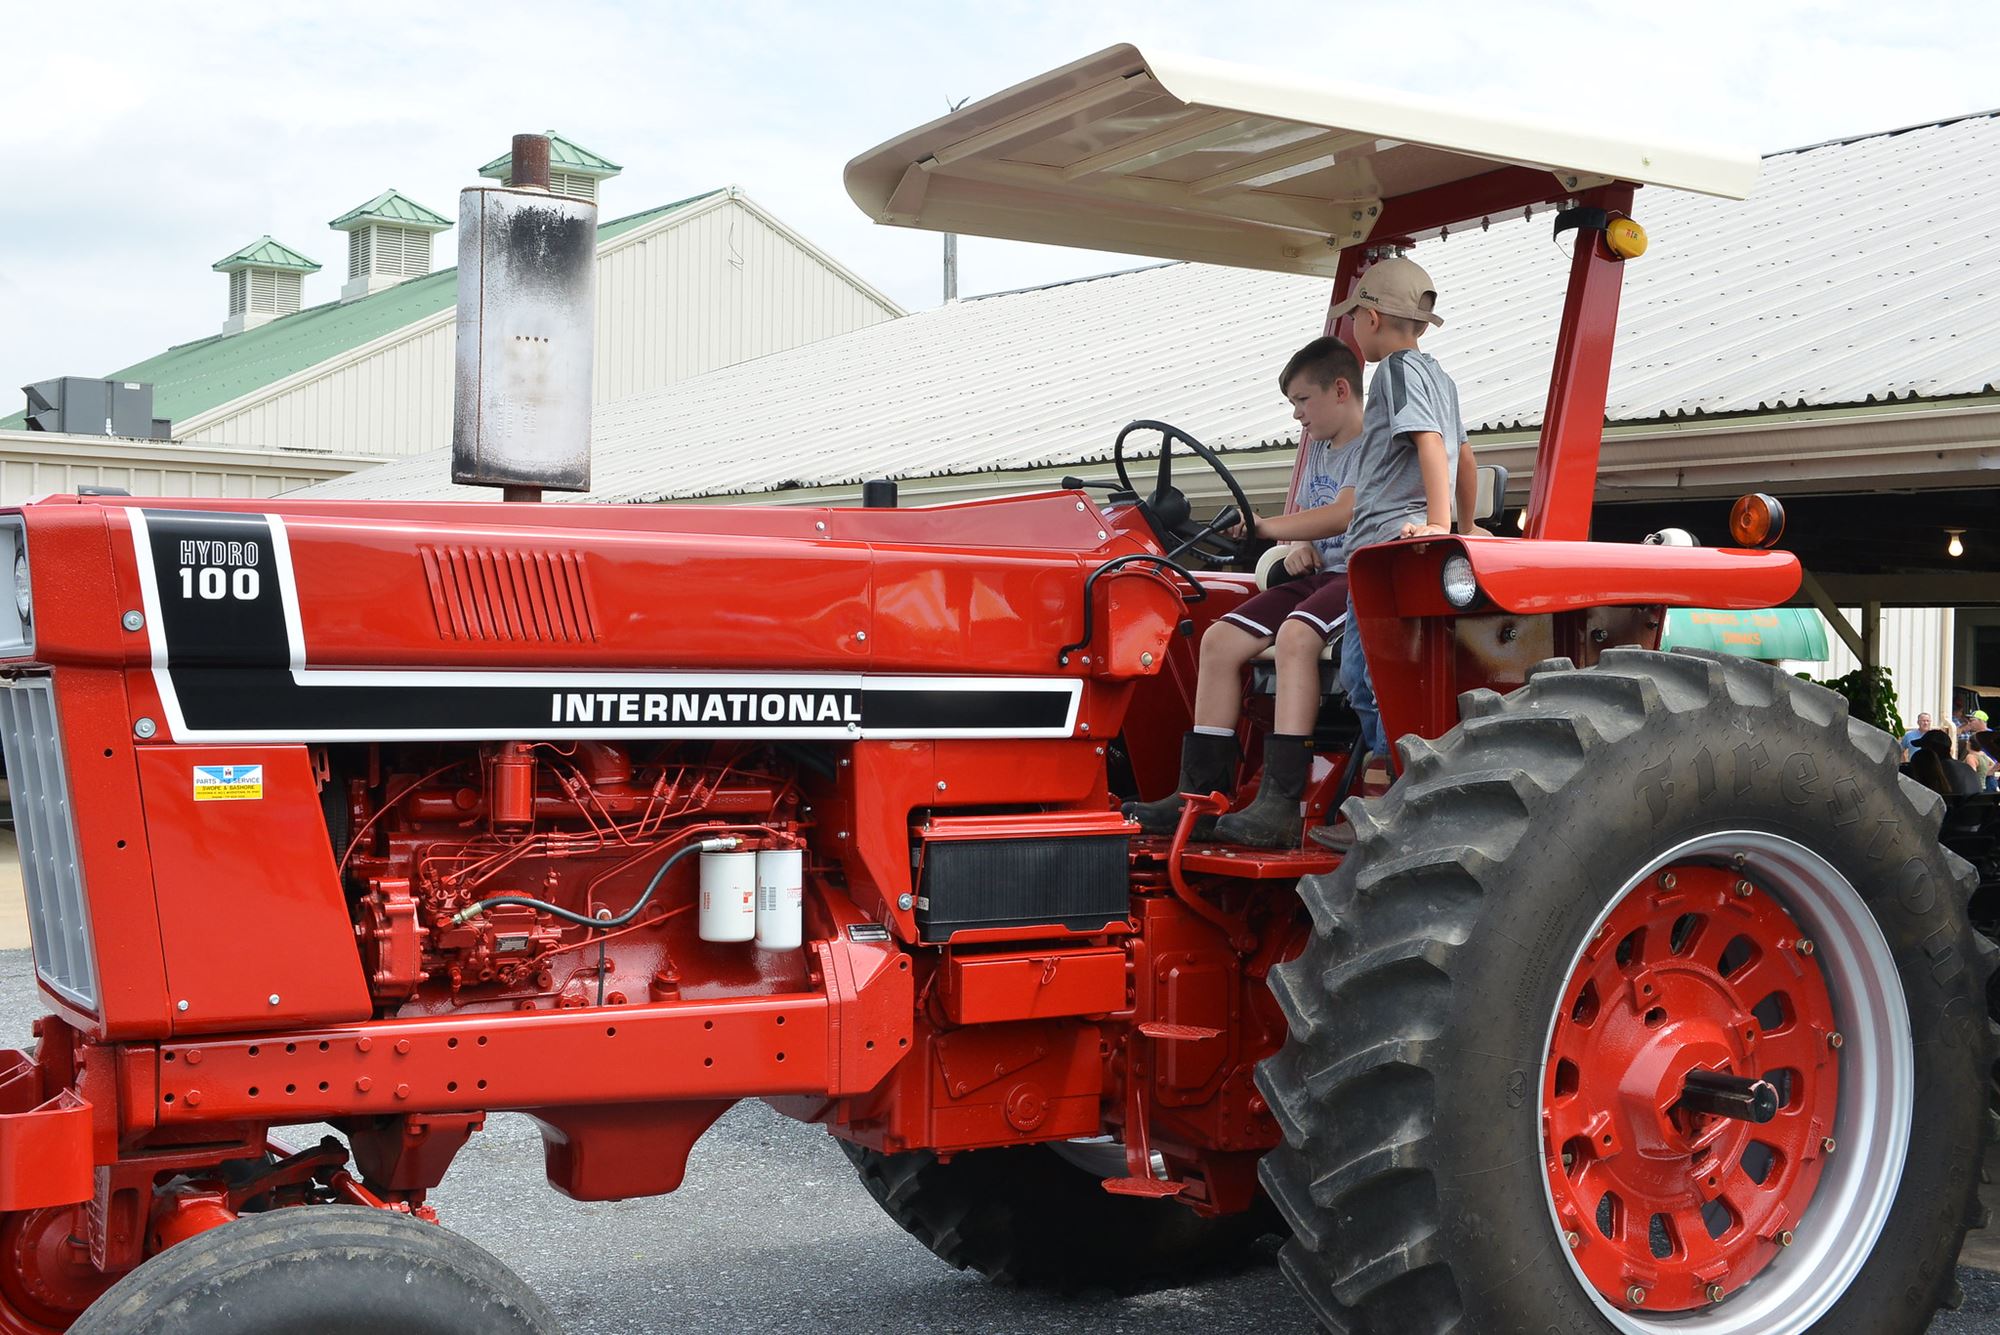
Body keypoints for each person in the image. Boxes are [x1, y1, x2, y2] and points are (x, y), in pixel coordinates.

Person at [1122, 337, 1368, 847]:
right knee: (1220, 639)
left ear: (1340, 390)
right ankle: (1200, 794)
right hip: (1319, 573)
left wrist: (1267, 527)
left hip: (1359, 576)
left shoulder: (1373, 445)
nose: (1297, 415)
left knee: (1299, 635)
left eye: (1303, 401)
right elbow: (1309, 514)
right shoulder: (1318, 450)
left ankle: (1281, 801)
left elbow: (1345, 512)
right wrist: (1297, 539)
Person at [1307, 257, 1478, 850]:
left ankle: (1388, 808)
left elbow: (1431, 444)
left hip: (1382, 545)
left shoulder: (1395, 374)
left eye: (1353, 315)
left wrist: (1438, 523)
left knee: (1364, 676)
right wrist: (1467, 523)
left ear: (1371, 317)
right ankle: (1386, 793)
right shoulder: (1439, 377)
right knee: (1391, 679)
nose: (1351, 326)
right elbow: (1466, 456)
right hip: (1402, 539)